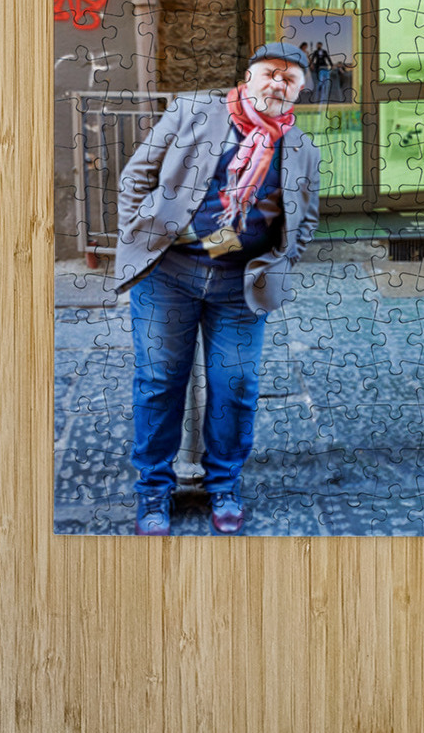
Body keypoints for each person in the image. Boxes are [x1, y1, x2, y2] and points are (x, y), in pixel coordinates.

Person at [115, 42, 320, 537]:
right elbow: (137, 176)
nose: (278, 84)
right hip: (168, 276)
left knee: (236, 388)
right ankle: (153, 491)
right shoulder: (194, 111)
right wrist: (141, 235)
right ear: (248, 76)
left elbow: (306, 218)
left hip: (239, 287)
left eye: (290, 80)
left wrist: (277, 260)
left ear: (300, 92)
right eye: (271, 73)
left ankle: (224, 484)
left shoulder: (302, 148)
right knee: (161, 383)